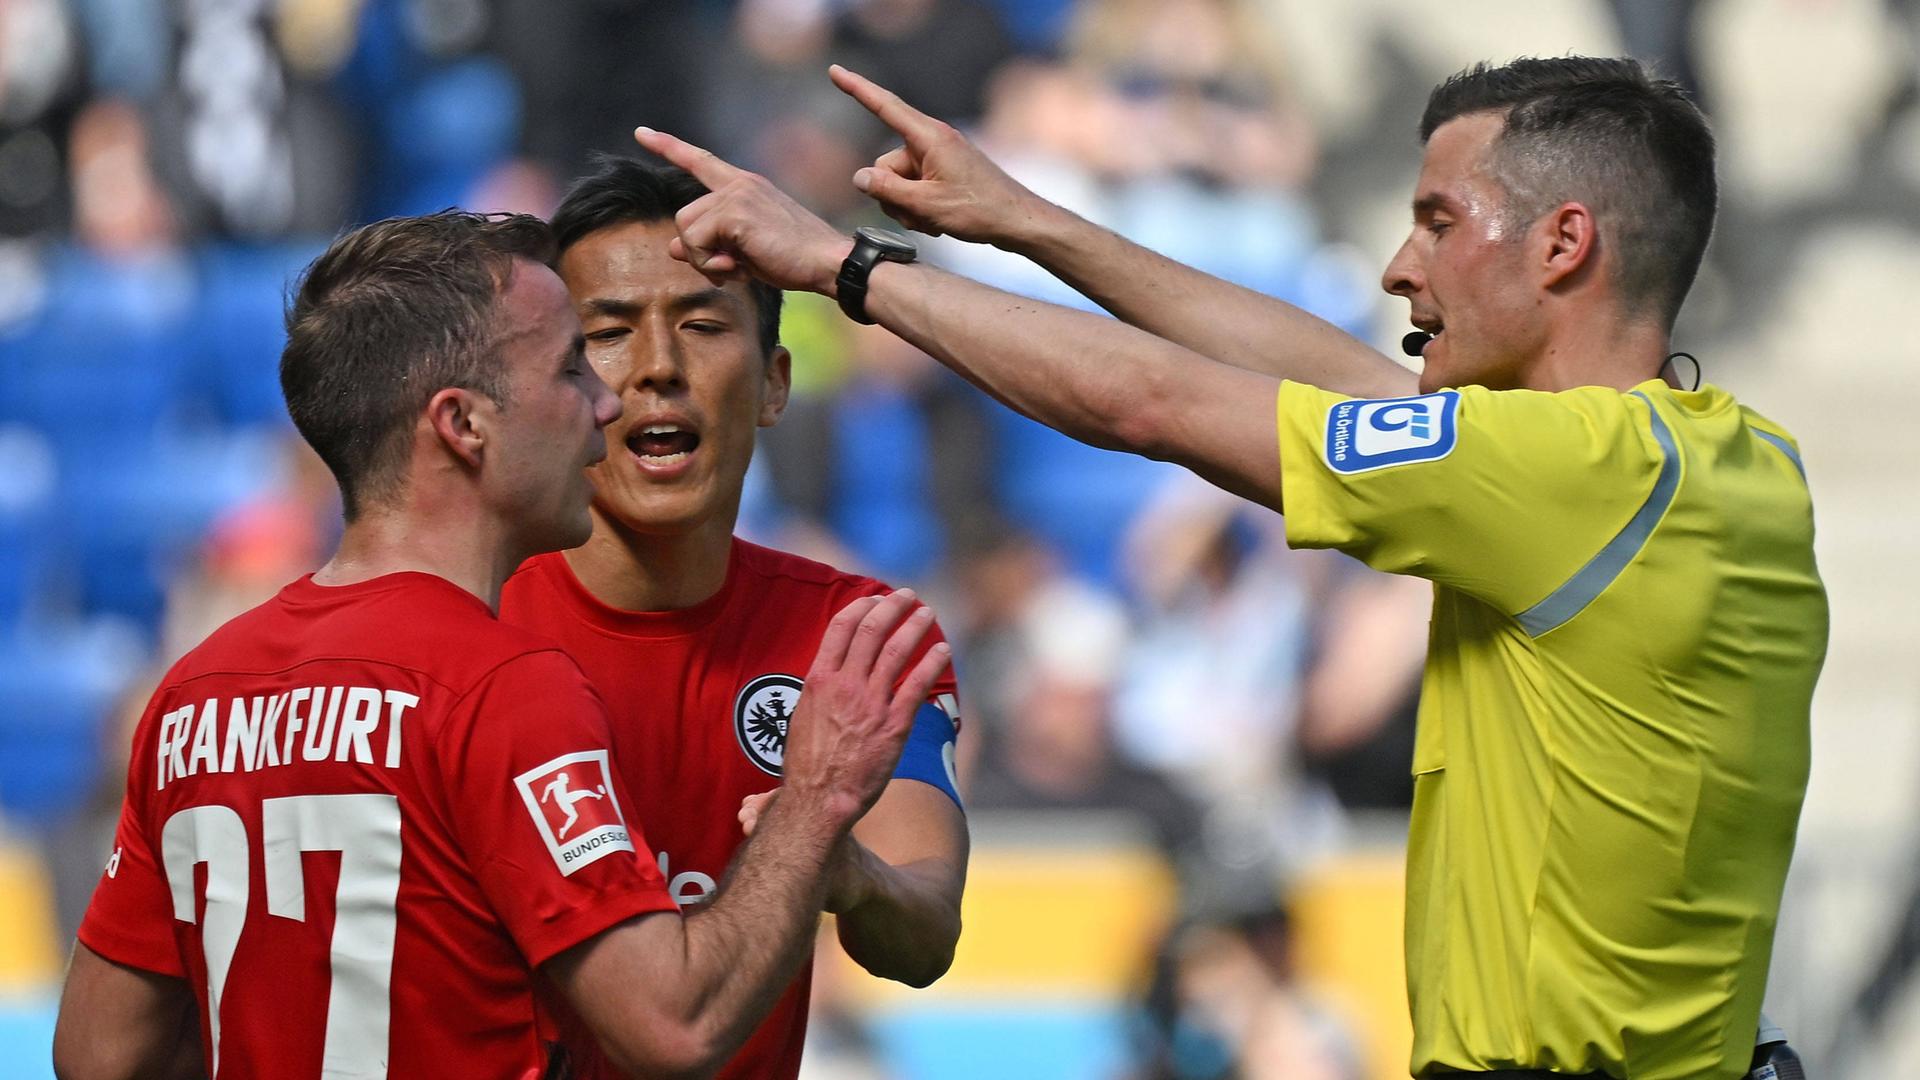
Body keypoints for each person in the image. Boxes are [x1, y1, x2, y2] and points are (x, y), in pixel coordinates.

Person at [631, 55, 1827, 1080]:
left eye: (1440, 222)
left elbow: (1151, 406)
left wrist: (848, 269)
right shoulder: (1720, 459)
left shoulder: (1566, 473)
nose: (1399, 267)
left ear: (1564, 243)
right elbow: (1329, 377)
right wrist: (1025, 222)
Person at [50, 210, 950, 1079]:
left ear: (773, 380)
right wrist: (813, 801)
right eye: (574, 365)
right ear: (464, 424)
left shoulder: (197, 691)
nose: (608, 399)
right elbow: (675, 1029)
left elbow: (97, 1056)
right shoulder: (502, 683)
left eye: (702, 326)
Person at [496, 155, 968, 1080]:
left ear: (773, 384)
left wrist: (849, 870)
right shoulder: (463, 623)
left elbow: (924, 936)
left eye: (704, 326)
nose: (659, 368)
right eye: (609, 333)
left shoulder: (863, 639)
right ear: (556, 386)